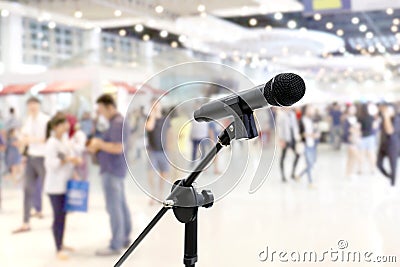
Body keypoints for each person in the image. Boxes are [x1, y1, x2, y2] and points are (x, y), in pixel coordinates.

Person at [87, 94, 132, 256]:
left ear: (110, 107)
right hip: (116, 169)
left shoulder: (117, 123)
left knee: (114, 207)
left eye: (101, 110)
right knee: (120, 203)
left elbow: (117, 148)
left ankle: (116, 244)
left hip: (112, 169)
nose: (100, 114)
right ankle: (124, 237)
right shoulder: (116, 122)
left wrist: (99, 144)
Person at [44, 114, 81, 260]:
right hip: (54, 187)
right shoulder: (51, 143)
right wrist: (66, 160)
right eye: (62, 124)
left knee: (64, 215)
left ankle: (62, 242)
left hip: (65, 184)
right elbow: (50, 164)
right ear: (55, 127)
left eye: (66, 123)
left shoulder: (64, 140)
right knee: (58, 217)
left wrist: (74, 168)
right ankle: (58, 248)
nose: (65, 126)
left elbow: (69, 157)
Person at [13, 97, 50, 234]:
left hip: (44, 158)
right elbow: (25, 136)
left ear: (39, 105)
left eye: (34, 104)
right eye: (29, 105)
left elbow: (47, 139)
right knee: (27, 190)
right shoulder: (28, 120)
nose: (32, 107)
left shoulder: (45, 120)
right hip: (31, 158)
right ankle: (25, 222)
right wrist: (22, 142)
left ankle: (57, 218)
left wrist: (29, 140)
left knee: (50, 189)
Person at [145, 100, 171, 204]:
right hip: (152, 151)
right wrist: (153, 115)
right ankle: (153, 194)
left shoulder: (166, 119)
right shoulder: (149, 118)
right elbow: (149, 127)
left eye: (157, 104)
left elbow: (169, 133)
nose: (156, 106)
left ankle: (160, 194)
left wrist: (169, 148)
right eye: (153, 105)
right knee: (151, 173)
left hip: (163, 150)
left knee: (164, 173)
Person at [296, 105, 319, 187]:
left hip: (312, 144)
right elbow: (301, 134)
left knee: (312, 163)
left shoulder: (311, 120)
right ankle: (310, 182)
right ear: (305, 110)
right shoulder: (301, 121)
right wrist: (311, 135)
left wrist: (316, 134)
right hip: (305, 145)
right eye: (310, 109)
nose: (311, 111)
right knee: (309, 163)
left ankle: (299, 175)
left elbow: (315, 130)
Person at [377, 104, 400, 186]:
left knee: (393, 166)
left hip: (393, 146)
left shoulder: (397, 119)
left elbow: (389, 131)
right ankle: (389, 176)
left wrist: (386, 117)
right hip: (383, 145)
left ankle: (392, 183)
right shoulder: (383, 118)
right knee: (378, 164)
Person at [276, 108, 301, 183]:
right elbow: (279, 128)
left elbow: (295, 126)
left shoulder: (292, 114)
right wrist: (281, 140)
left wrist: (297, 136)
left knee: (297, 155)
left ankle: (292, 173)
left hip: (292, 138)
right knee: (283, 157)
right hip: (285, 139)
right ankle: (283, 175)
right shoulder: (280, 115)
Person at [357, 103, 378, 174]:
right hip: (370, 137)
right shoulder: (371, 117)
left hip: (362, 137)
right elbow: (374, 126)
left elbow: (358, 128)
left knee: (361, 154)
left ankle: (360, 169)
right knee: (371, 154)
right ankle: (373, 169)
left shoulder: (359, 118)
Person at [342, 105, 361, 178]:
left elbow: (358, 130)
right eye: (351, 109)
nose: (352, 111)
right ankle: (349, 172)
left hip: (355, 140)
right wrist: (353, 129)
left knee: (351, 158)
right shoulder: (347, 119)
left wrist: (356, 130)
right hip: (350, 141)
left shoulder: (356, 119)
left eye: (354, 109)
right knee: (355, 156)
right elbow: (347, 131)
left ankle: (349, 172)